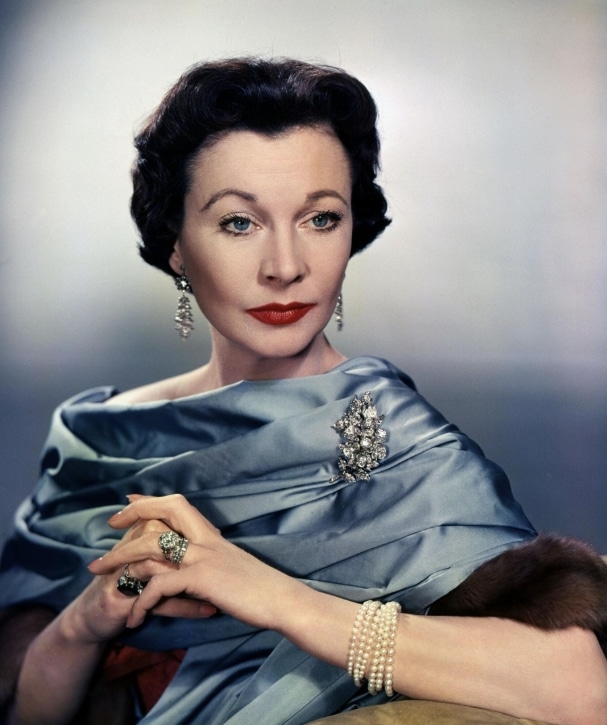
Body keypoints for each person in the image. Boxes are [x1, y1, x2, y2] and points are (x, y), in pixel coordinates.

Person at [1, 58, 606, 725]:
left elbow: (581, 688)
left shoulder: (398, 438)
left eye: (319, 219)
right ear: (175, 243)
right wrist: (80, 628)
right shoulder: (99, 442)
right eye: (240, 223)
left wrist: (268, 593)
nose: (285, 267)